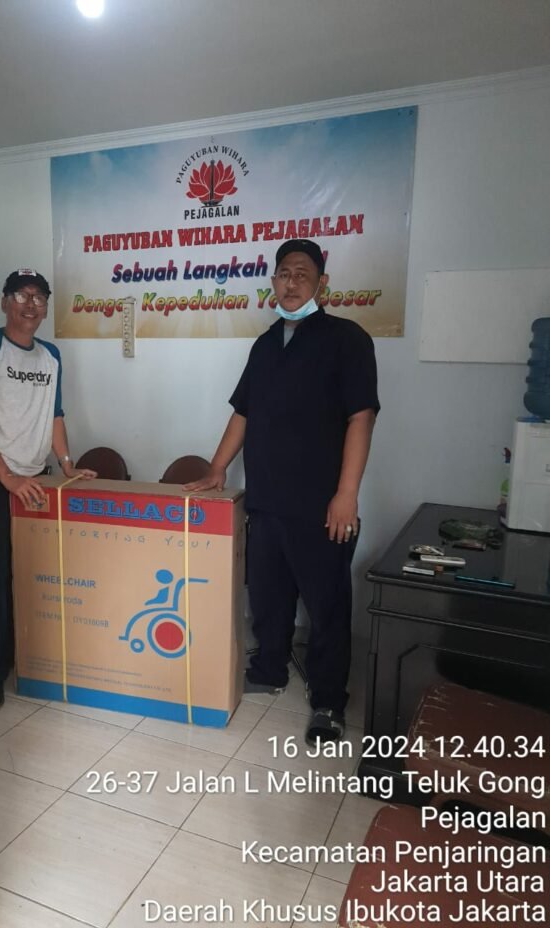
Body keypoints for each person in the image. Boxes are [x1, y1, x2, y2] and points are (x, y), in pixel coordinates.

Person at [186, 240, 379, 744]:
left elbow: (361, 417)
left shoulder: (347, 340)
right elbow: (243, 413)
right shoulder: (266, 344)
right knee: (269, 598)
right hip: (268, 500)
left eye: (302, 273)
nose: (291, 282)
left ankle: (329, 702)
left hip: (322, 506)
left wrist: (347, 494)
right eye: (283, 274)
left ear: (321, 284)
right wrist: (217, 467)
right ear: (273, 282)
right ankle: (269, 669)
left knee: (327, 607)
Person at [0, 268, 96, 710]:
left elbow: (55, 415)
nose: (30, 304)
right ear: (5, 302)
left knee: (25, 573)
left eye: (39, 297)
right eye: (21, 295)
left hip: (30, 479)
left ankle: (20, 660)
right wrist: (6, 477)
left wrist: (67, 465)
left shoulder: (50, 356)